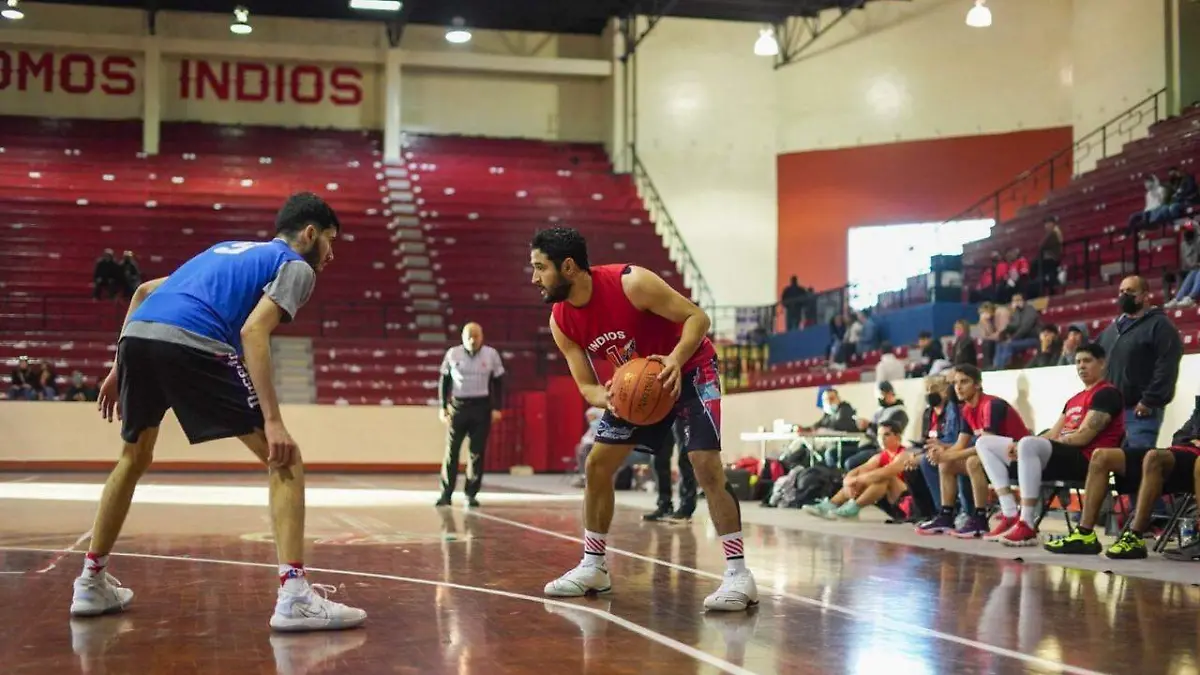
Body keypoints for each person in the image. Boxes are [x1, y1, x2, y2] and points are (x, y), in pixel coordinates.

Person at [72, 192, 366, 632]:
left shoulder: (225, 250)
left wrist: (118, 366)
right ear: (309, 234)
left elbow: (143, 290)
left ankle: (90, 582)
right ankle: (294, 595)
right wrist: (274, 421)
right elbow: (253, 332)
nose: (332, 253)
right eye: (330, 240)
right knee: (284, 457)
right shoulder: (296, 266)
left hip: (139, 337)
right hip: (194, 338)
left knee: (133, 457)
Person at [530, 226, 757, 612]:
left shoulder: (630, 283)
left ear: (568, 267)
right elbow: (587, 385)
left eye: (540, 267)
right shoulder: (561, 320)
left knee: (704, 464)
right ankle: (594, 567)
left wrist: (675, 359)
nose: (534, 277)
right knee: (597, 465)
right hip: (639, 385)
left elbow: (696, 318)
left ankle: (739, 574)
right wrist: (608, 397)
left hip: (688, 369)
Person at [973, 344, 1124, 546]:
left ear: (1102, 363)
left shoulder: (1107, 394)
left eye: (1087, 361)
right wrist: (1022, 444)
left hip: (1087, 461)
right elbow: (1053, 433)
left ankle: (1026, 523)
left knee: (1029, 444)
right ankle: (1010, 513)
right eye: (1078, 362)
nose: (1081, 366)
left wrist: (1034, 443)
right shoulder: (1073, 400)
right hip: (1063, 457)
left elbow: (1083, 437)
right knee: (985, 443)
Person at [1046, 389, 1200, 560]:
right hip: (1183, 451)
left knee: (1154, 457)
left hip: (1194, 458)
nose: (1081, 366)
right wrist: (1189, 439)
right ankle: (1084, 534)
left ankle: (1135, 536)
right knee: (1101, 456)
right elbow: (1180, 436)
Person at [1095, 275, 1183, 450]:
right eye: (1121, 291)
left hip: (1139, 412)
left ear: (1145, 295)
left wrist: (1150, 400)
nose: (1124, 295)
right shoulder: (1112, 329)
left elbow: (1167, 366)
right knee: (1104, 462)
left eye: (1130, 291)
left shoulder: (1160, 325)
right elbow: (1096, 359)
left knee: (1135, 465)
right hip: (1110, 412)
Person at [436, 322, 505, 507]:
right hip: (458, 406)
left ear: (482, 337)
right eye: (469, 337)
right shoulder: (453, 354)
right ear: (463, 338)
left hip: (481, 406)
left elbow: (499, 382)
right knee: (452, 451)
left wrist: (497, 408)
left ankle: (470, 493)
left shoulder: (491, 355)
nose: (473, 340)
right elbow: (444, 381)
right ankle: (446, 493)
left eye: (476, 336)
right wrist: (443, 407)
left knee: (477, 452)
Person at [801, 420, 912, 519]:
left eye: (887, 435)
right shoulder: (880, 457)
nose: (881, 439)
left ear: (898, 437)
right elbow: (857, 472)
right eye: (879, 435)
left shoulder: (905, 455)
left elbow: (884, 473)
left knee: (885, 478)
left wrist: (856, 480)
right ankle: (832, 503)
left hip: (909, 505)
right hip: (892, 503)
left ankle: (853, 507)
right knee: (865, 473)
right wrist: (848, 482)